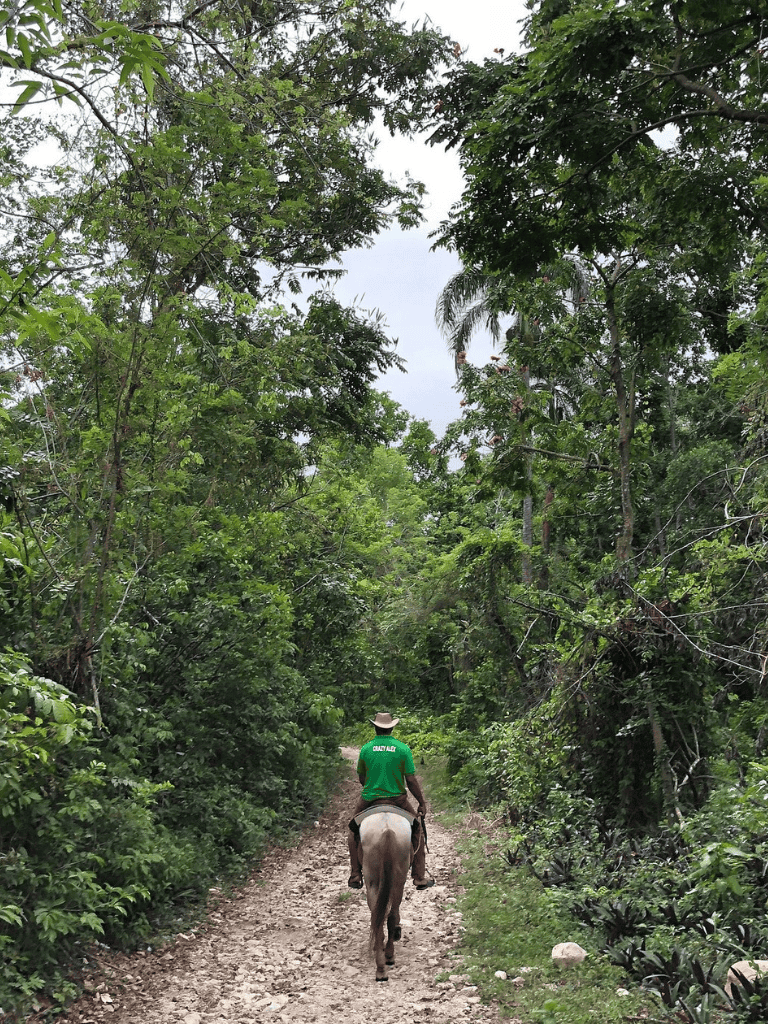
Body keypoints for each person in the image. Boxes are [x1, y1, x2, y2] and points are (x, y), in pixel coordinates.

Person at [347, 711, 434, 889]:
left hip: (370, 799)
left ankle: (355, 874)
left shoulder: (366, 749)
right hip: (397, 800)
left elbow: (362, 778)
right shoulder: (402, 749)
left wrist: (374, 785)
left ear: (375, 728)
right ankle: (419, 876)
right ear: (391, 728)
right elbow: (410, 780)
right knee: (417, 830)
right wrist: (421, 802)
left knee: (352, 830)